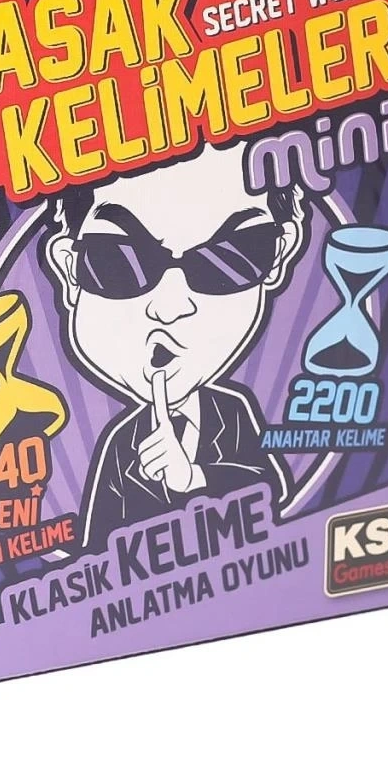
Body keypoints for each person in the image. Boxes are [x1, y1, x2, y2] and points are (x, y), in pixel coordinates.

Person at [45, 142, 307, 551]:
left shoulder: (233, 411)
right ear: (69, 269)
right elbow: (95, 549)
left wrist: (195, 478)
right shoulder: (122, 443)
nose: (170, 308)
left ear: (278, 256)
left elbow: (274, 495)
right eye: (121, 261)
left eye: (229, 259)